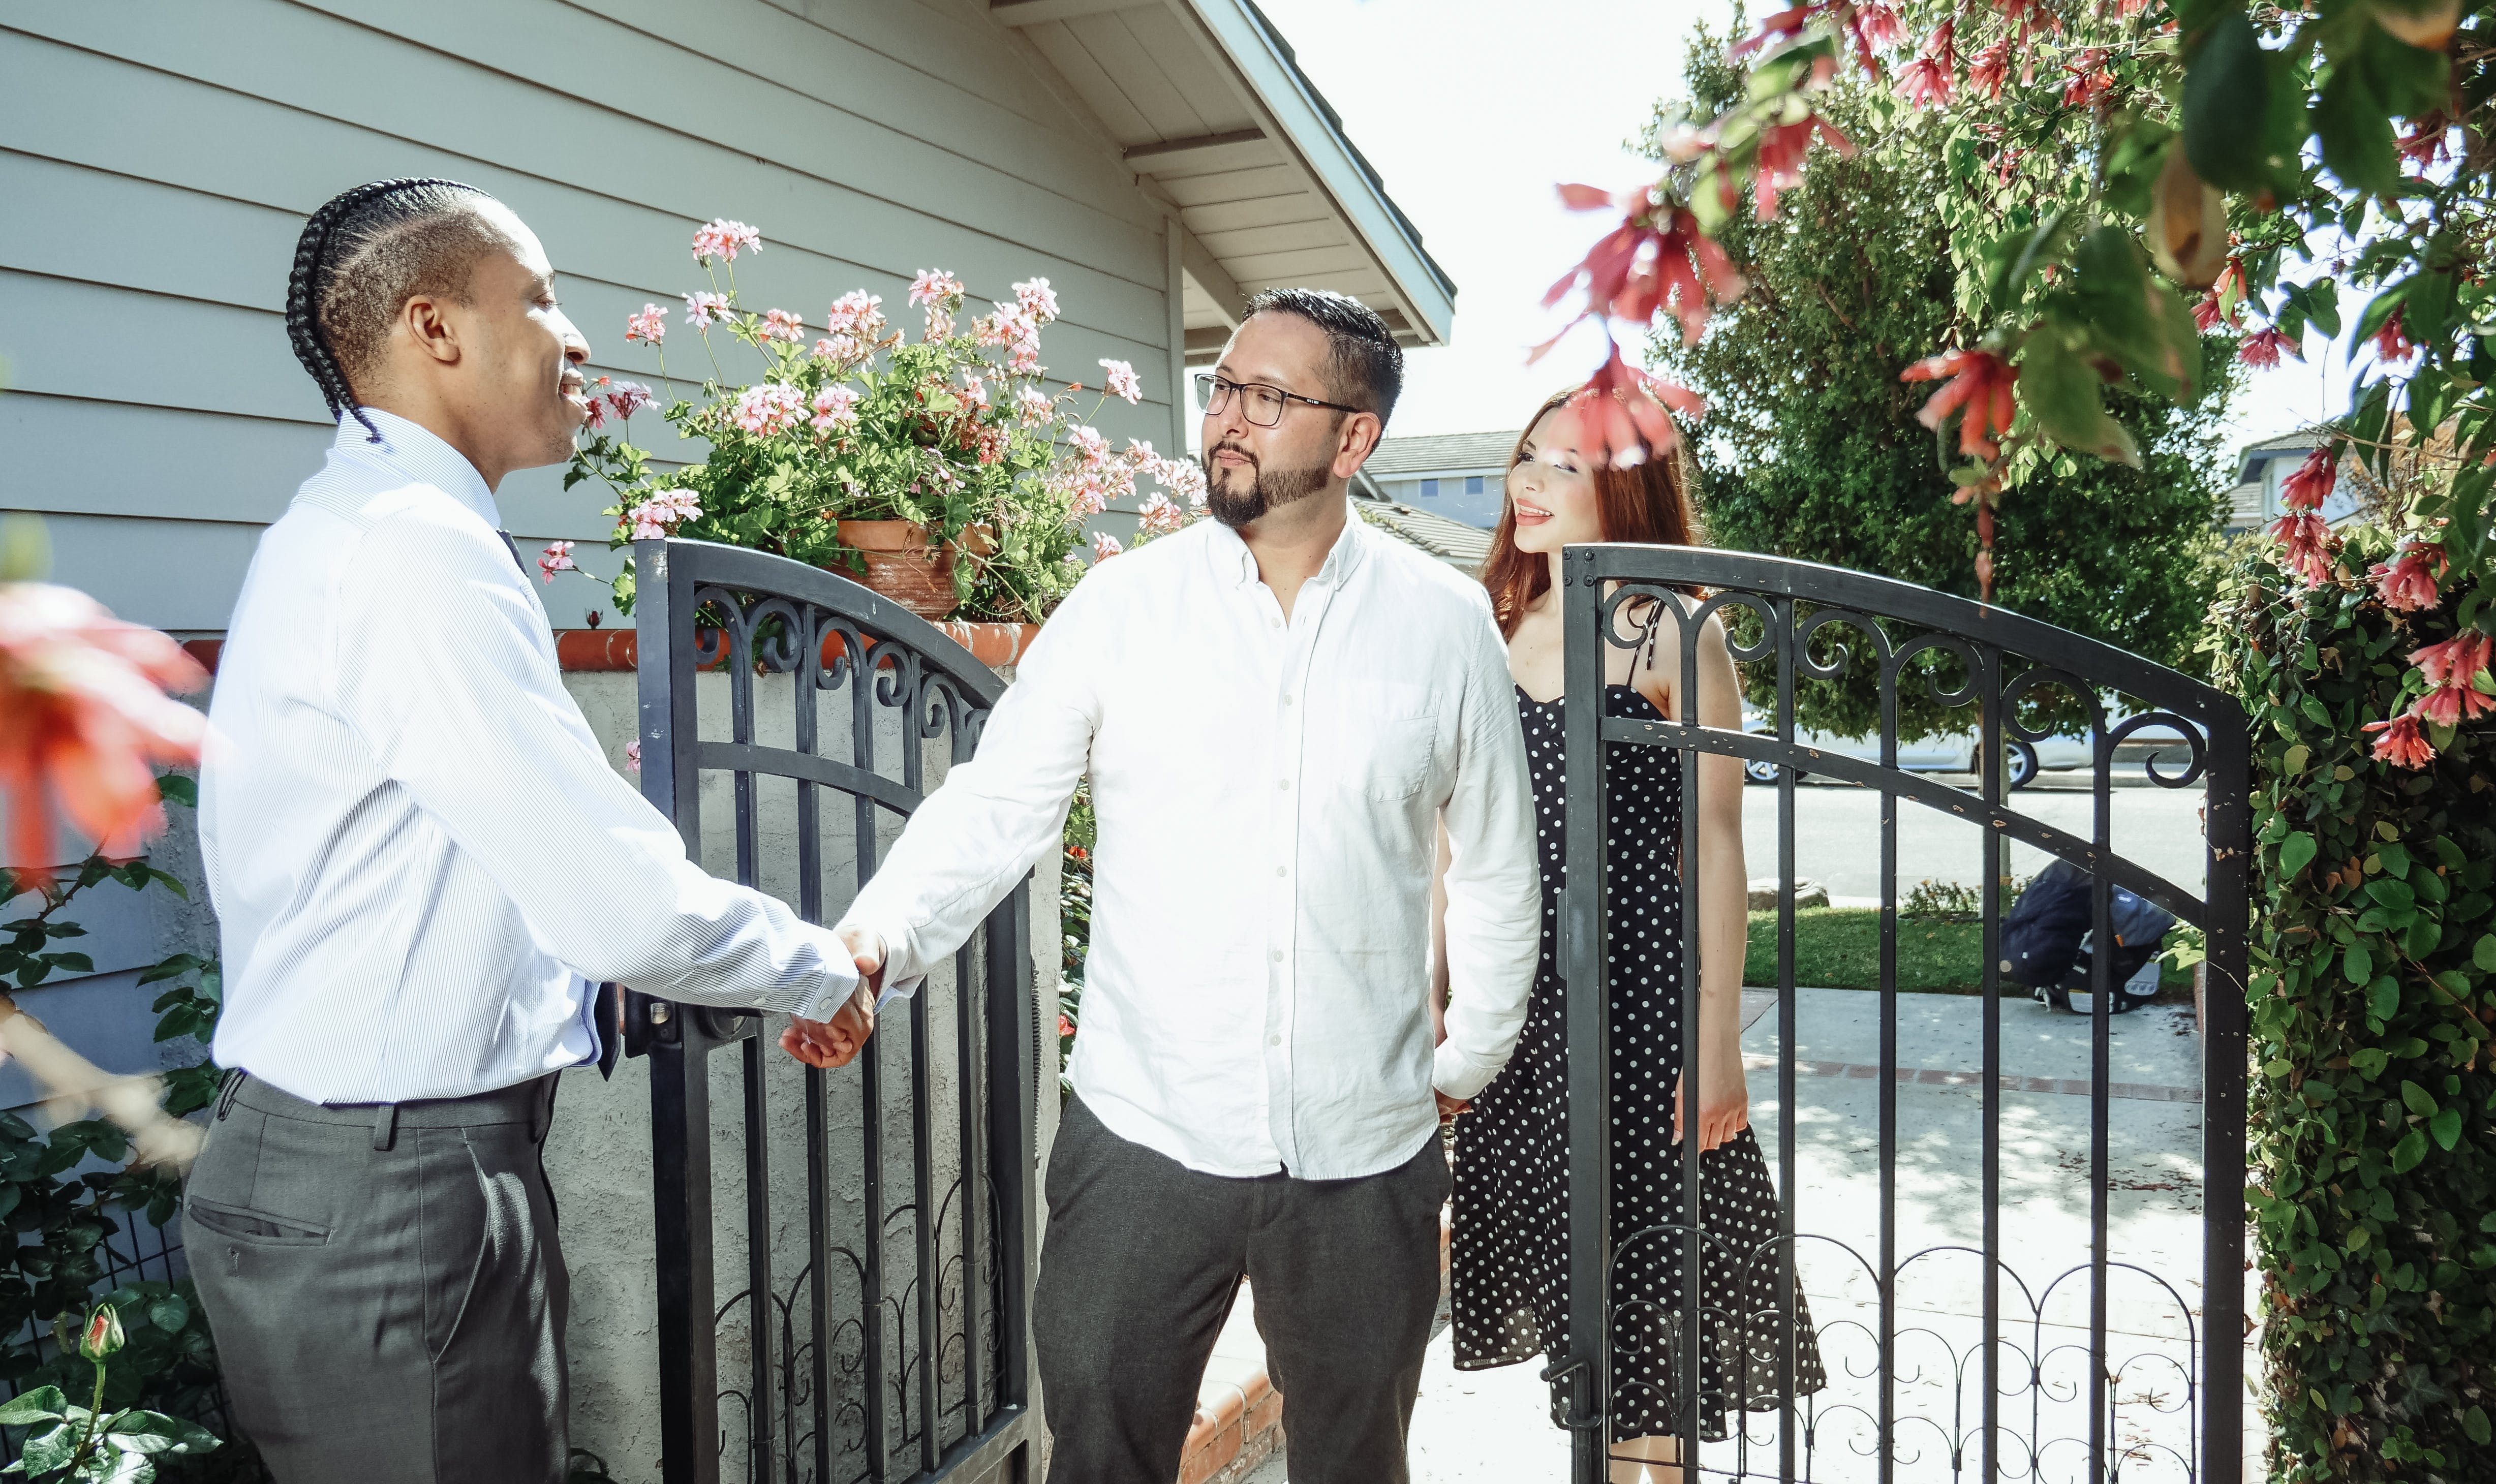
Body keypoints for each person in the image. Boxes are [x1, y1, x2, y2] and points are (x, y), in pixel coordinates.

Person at [185, 178, 875, 1484]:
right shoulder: (410, 551)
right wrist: (817, 967)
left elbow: (451, 871)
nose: (579, 336)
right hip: (391, 1191)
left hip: (393, 1166)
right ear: (435, 328)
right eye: (543, 298)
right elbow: (611, 900)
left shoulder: (372, 529)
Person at [827, 288, 1542, 1484]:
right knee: (1100, 1451)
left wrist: (1467, 1059)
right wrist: (879, 934)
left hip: (1365, 1153)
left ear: (1353, 439)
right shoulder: (1123, 608)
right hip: (1144, 1137)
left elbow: (1500, 866)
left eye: (1270, 397)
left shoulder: (1446, 622)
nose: (1228, 419)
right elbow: (999, 804)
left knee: (1360, 1459)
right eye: (1223, 388)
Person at [1442, 387, 1823, 1482]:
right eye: (1531, 455)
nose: (1532, 481)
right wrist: (1437, 998)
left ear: (1625, 490)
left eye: (1569, 465)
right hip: (1520, 997)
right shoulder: (1490, 624)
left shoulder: (1669, 631)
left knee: (1652, 1301)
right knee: (1580, 1296)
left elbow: (1716, 844)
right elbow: (1442, 841)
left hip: (1643, 995)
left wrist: (1719, 1042)